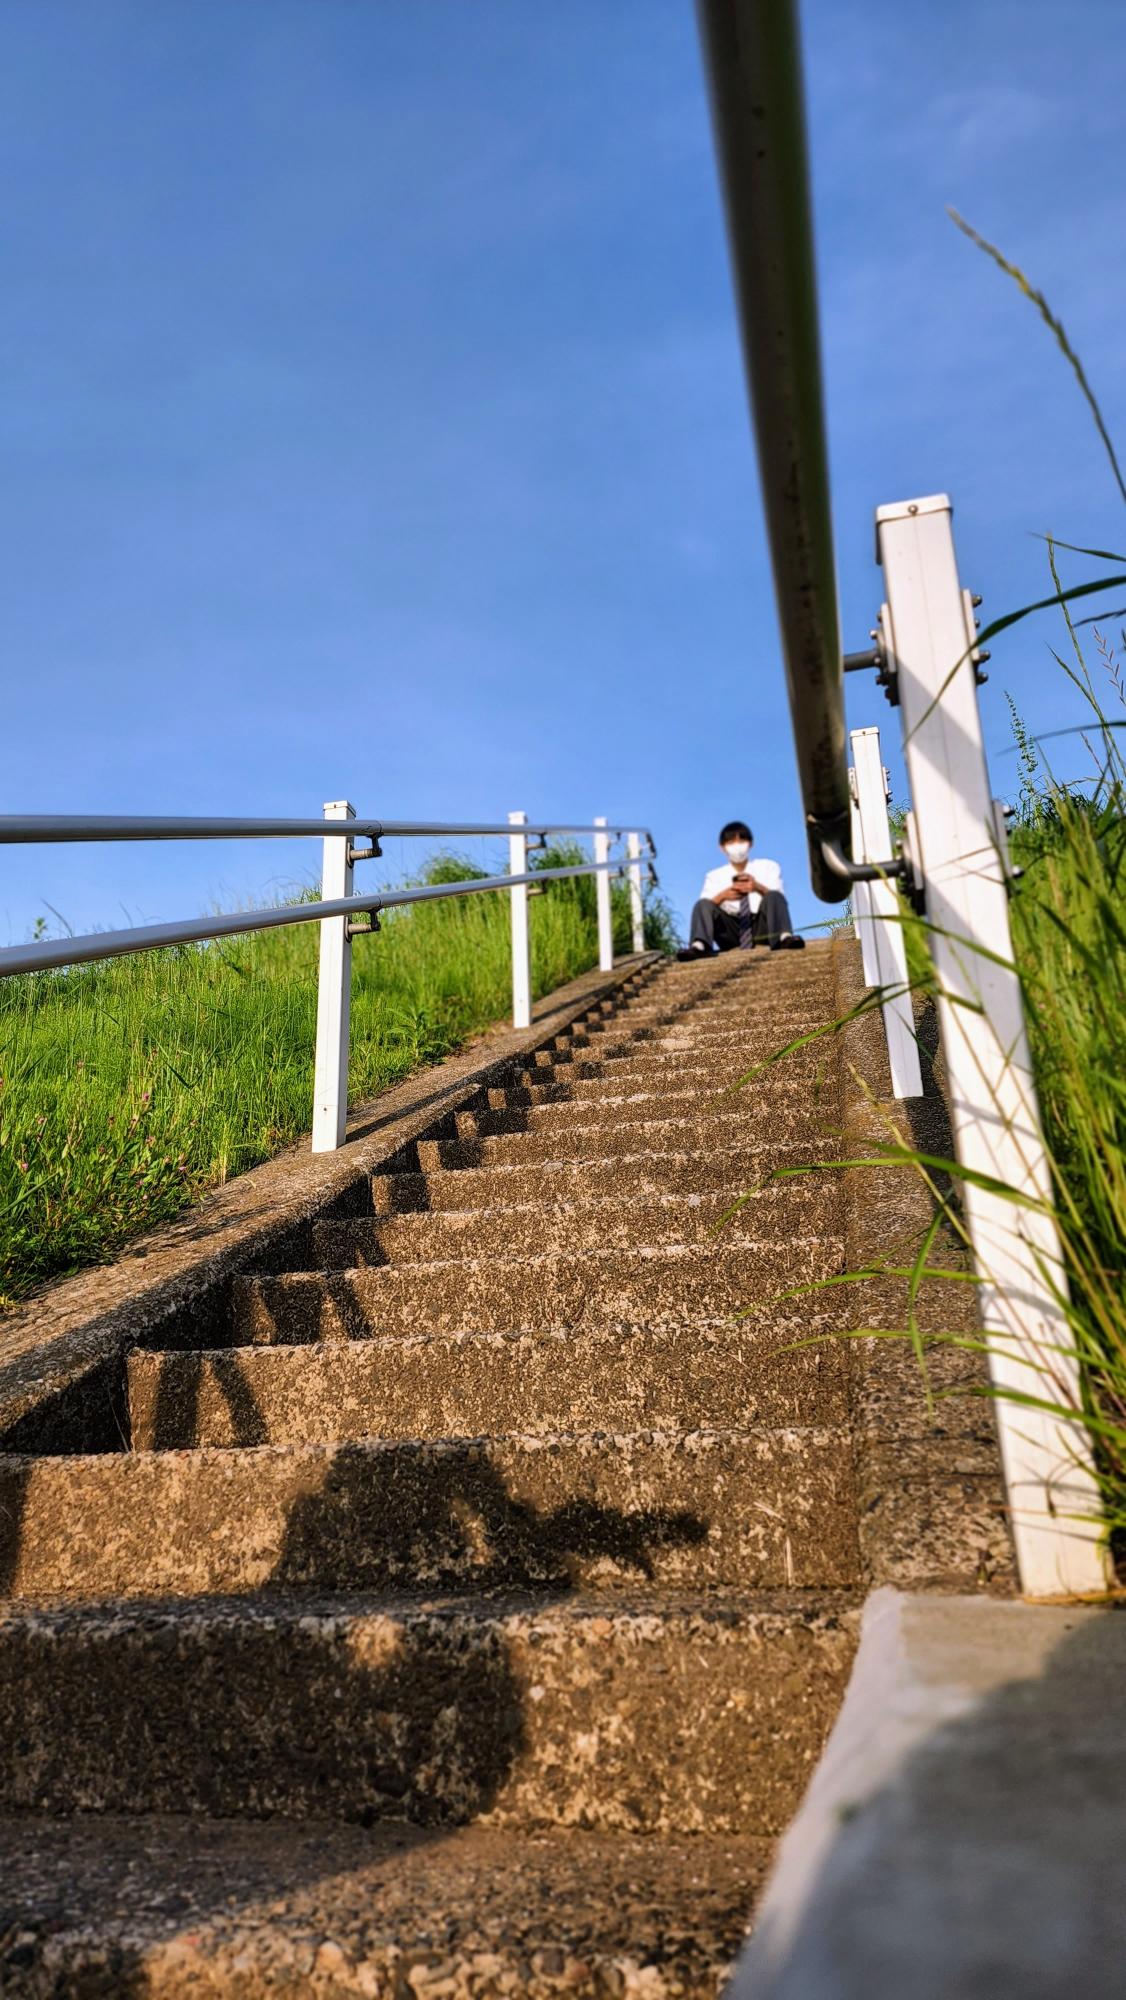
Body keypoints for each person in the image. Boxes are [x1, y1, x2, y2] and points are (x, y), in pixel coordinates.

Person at [677, 819, 806, 961]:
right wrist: (723, 896)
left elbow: (779, 897)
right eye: (731, 842)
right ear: (722, 847)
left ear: (750, 844)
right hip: (730, 928)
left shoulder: (768, 866)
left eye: (741, 841)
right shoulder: (713, 876)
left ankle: (784, 937)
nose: (737, 846)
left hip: (761, 925)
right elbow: (706, 907)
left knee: (773, 895)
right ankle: (700, 946)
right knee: (702, 904)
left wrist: (757, 887)